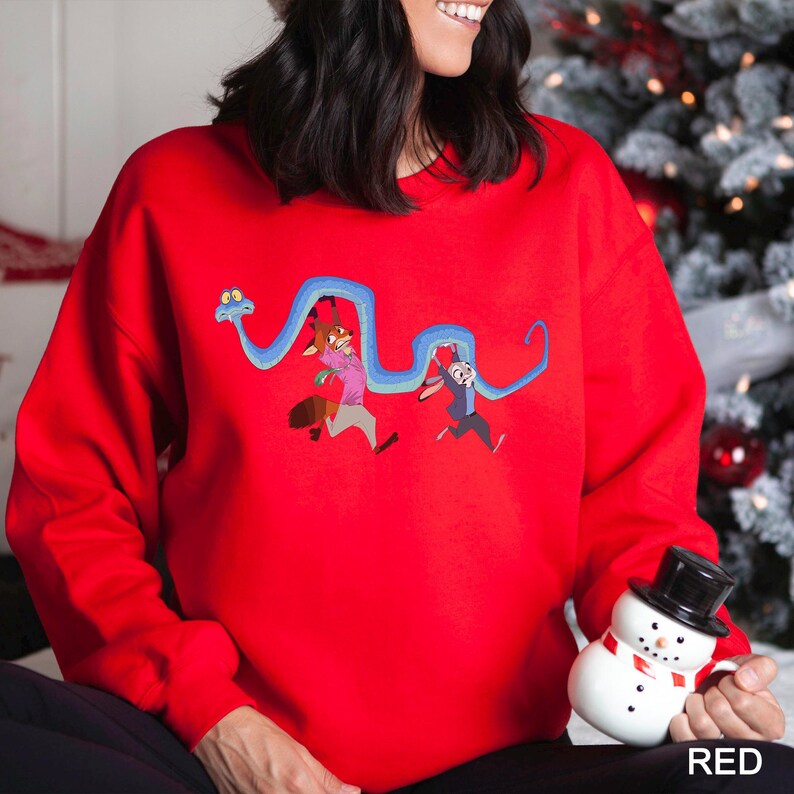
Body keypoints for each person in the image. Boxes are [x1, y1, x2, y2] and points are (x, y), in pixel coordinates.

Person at [3, 1, 791, 792]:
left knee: (758, 774)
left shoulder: (567, 185)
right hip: (229, 759)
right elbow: (71, 497)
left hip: (498, 767)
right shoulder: (172, 189)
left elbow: (637, 501)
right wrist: (214, 719)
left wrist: (701, 667)